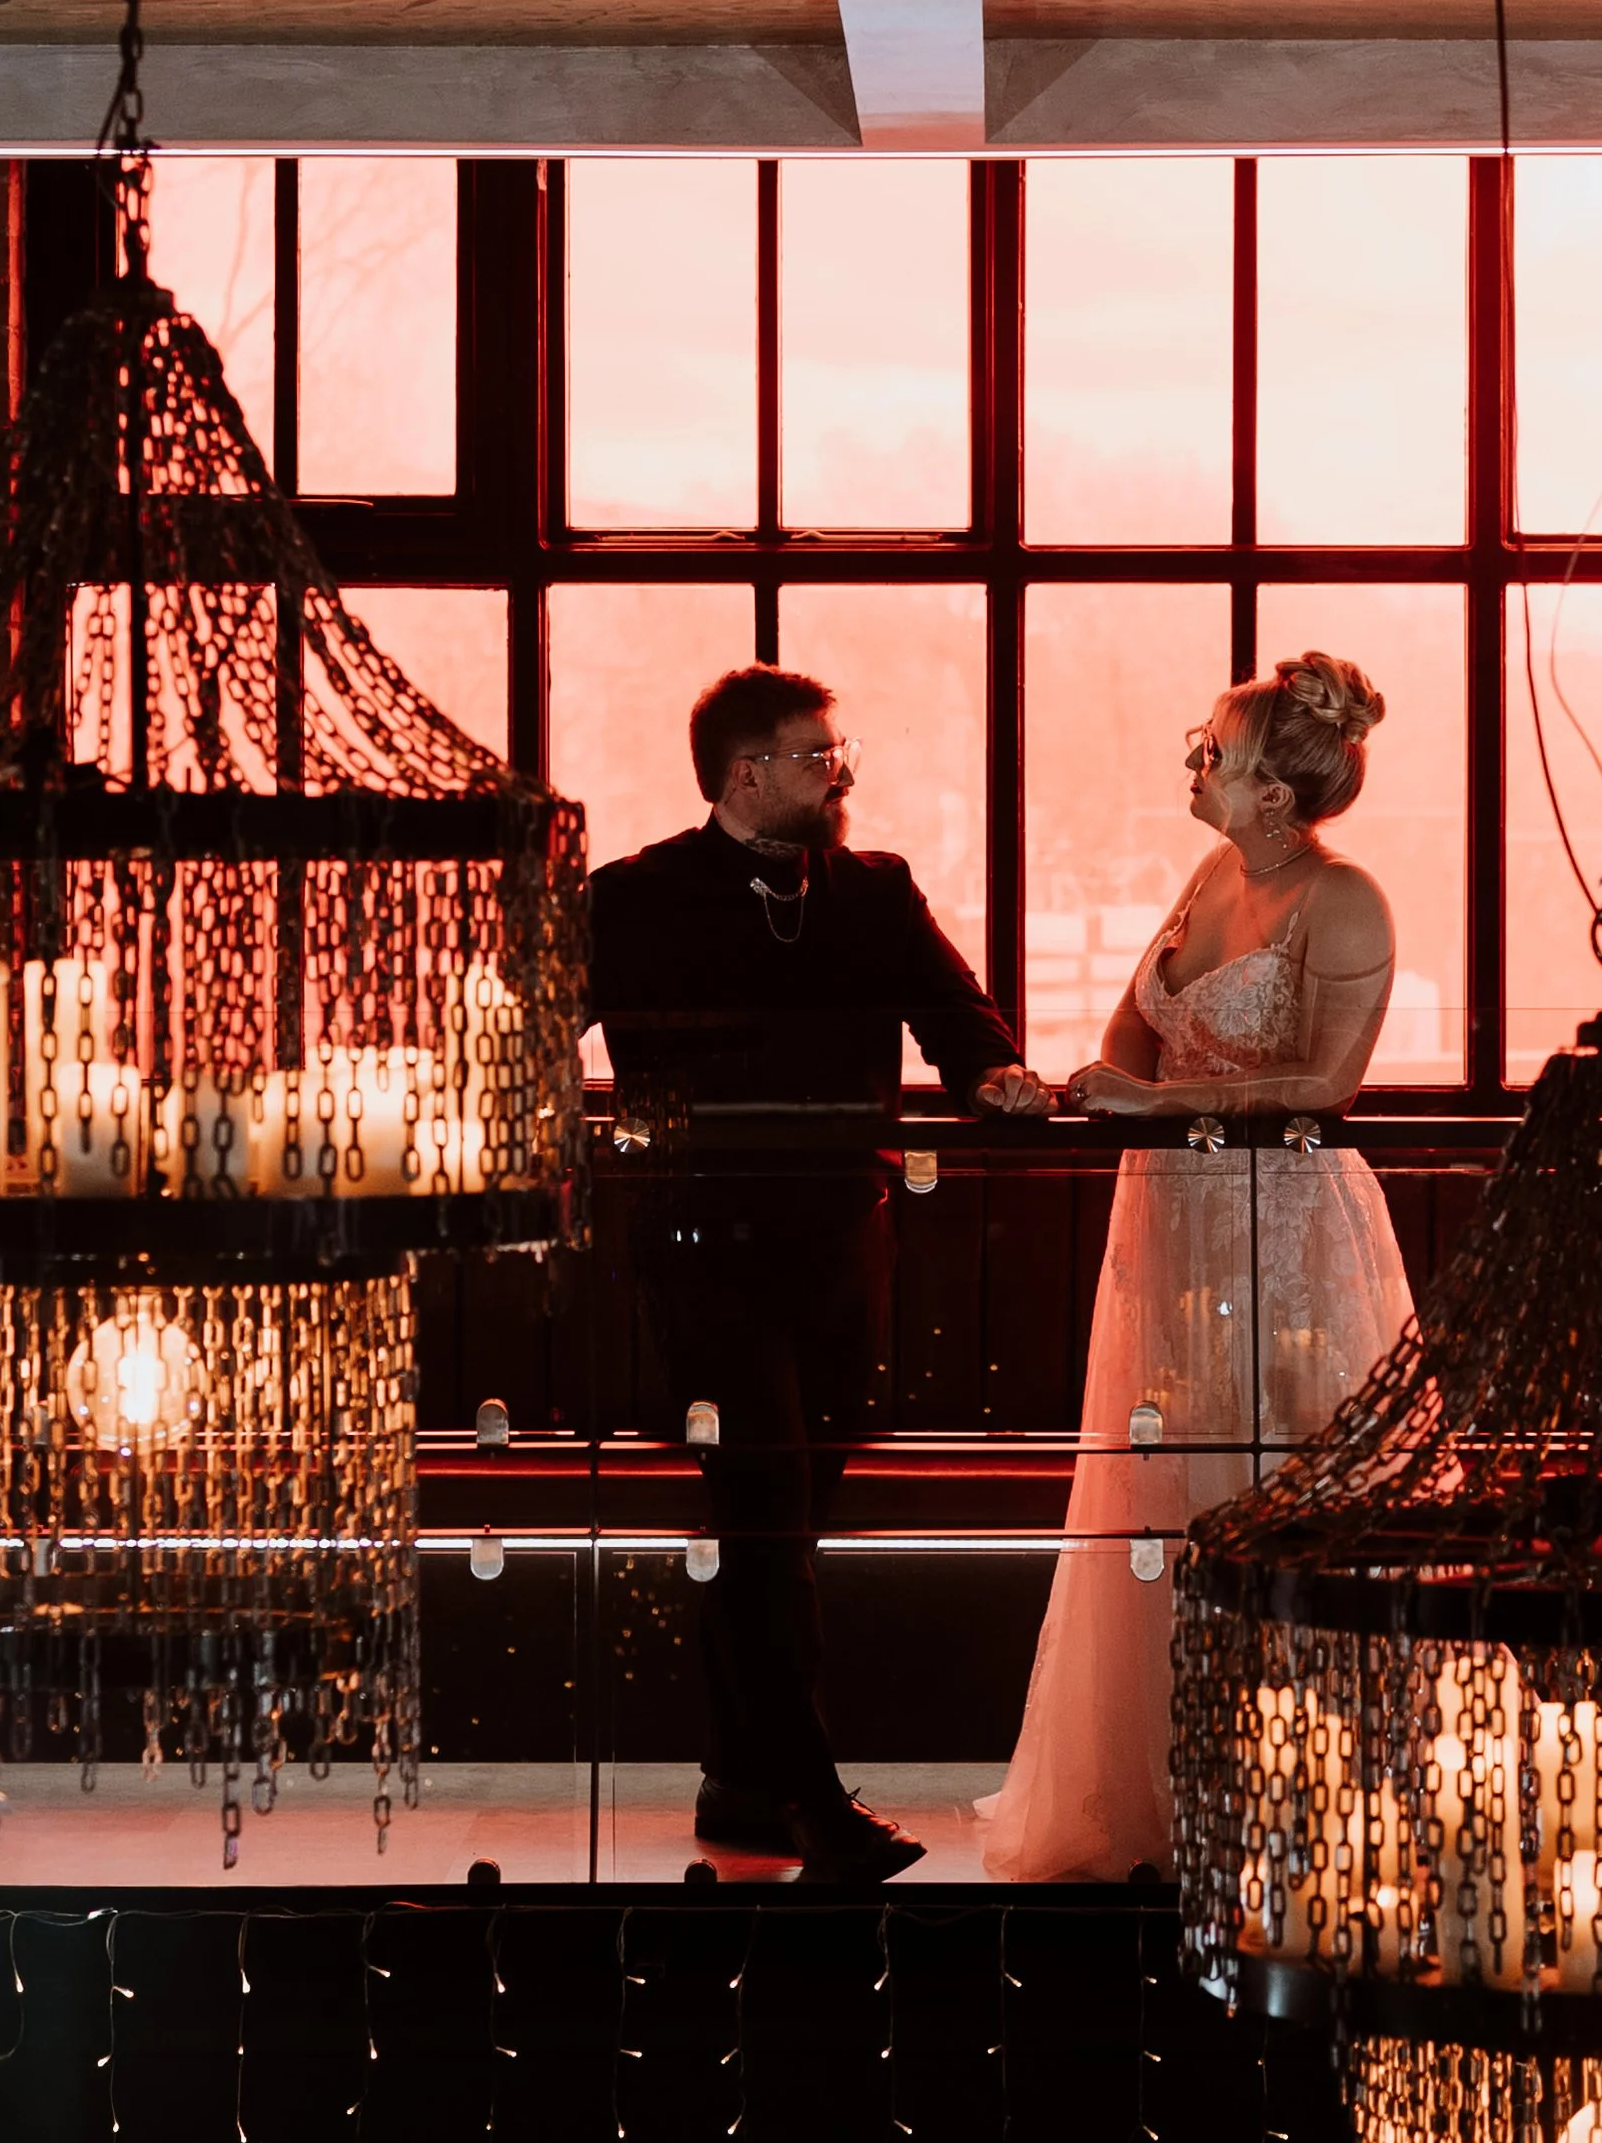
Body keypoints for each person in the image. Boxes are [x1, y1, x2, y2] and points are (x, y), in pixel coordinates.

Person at [589, 665, 1049, 1883]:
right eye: (816, 756)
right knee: (766, 1524)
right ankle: (811, 1802)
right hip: (700, 1258)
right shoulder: (635, 897)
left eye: (840, 755)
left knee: (777, 1525)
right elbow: (533, 1023)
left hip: (844, 1252)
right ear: (744, 774)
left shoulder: (874, 893)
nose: (841, 774)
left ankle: (742, 1779)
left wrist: (995, 1081)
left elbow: (960, 1018)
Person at [981, 652, 1414, 1883]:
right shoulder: (1210, 870)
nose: (1195, 763)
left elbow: (1331, 1087)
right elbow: (1134, 1036)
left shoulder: (1347, 899)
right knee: (1163, 1493)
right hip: (1167, 1218)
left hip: (1283, 1230)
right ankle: (1180, 1791)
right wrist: (1071, 1085)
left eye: (1213, 752)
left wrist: (1157, 1103)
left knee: (1278, 1483)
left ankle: (1311, 1805)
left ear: (1275, 793)